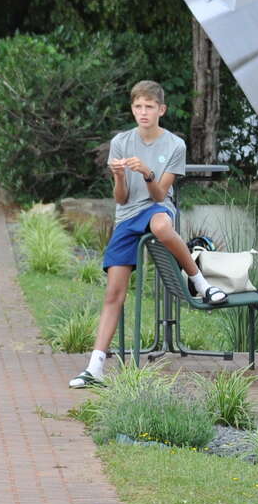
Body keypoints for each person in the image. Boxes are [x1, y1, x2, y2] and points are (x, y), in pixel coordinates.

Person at [69, 80, 229, 389]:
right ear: (132, 109)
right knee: (114, 292)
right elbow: (121, 198)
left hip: (157, 207)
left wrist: (146, 172)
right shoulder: (120, 142)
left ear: (161, 110)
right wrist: (119, 177)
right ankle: (94, 367)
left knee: (161, 226)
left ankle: (201, 283)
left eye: (149, 107)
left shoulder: (175, 145)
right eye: (138, 107)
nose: (143, 112)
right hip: (127, 216)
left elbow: (159, 195)